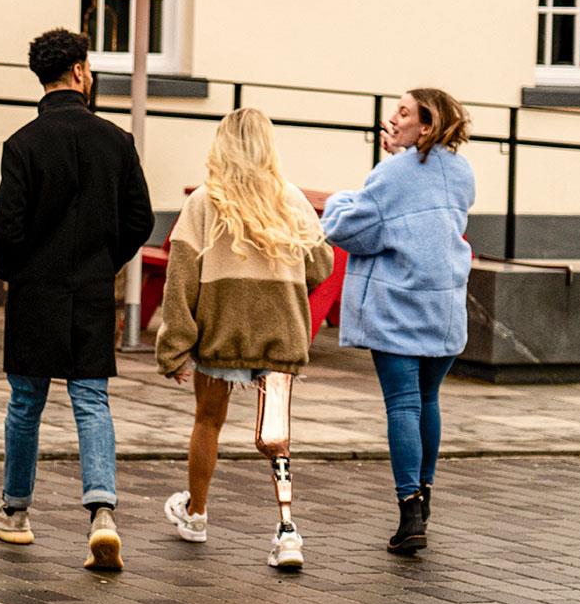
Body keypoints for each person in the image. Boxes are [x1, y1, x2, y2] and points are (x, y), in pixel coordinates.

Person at [0, 29, 153, 572]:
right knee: (91, 400)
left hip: (36, 290)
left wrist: (16, 272)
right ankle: (102, 512)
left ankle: (15, 510)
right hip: (92, 289)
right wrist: (105, 260)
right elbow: (140, 221)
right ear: (79, 72)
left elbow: (6, 228)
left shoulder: (22, 144)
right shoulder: (116, 141)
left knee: (25, 404)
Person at [153, 108, 335, 572]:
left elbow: (180, 281)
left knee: (208, 421)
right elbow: (322, 266)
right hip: (279, 334)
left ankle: (196, 514)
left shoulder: (204, 203)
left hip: (222, 333)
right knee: (276, 435)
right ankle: (287, 530)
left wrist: (174, 346)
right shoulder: (290, 200)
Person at [319, 88, 474, 556]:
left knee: (402, 405)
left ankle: (408, 511)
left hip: (398, 307)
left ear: (425, 126)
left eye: (404, 113)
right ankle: (424, 498)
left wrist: (347, 196)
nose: (393, 118)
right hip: (445, 306)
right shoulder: (462, 171)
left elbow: (347, 229)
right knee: (429, 399)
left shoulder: (393, 173)